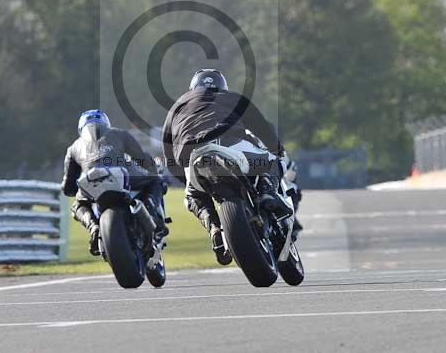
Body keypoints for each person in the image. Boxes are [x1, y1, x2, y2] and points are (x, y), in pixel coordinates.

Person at [161, 69, 291, 265]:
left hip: (190, 154)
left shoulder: (177, 106)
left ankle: (214, 227)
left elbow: (168, 151)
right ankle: (267, 192)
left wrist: (185, 179)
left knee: (193, 196)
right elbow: (261, 126)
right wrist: (277, 148)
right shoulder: (231, 97)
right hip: (228, 141)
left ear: (193, 88)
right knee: (270, 159)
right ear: (222, 85)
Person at [62, 109, 166, 256]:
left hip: (91, 182)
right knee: (156, 180)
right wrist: (153, 167)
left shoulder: (73, 148)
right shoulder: (119, 134)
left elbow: (68, 188)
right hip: (121, 176)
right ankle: (150, 211)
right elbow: (142, 159)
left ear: (81, 129)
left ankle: (93, 226)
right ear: (106, 124)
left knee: (77, 205)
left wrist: (77, 188)